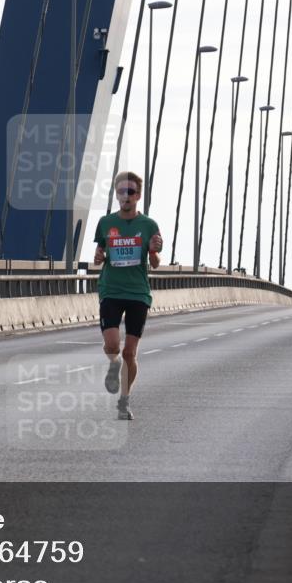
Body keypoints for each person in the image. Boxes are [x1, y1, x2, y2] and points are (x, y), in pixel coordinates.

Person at [93, 171, 162, 420]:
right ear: (116, 195)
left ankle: (124, 401)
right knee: (113, 345)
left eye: (130, 192)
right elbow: (99, 254)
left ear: (138, 196)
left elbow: (155, 263)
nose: (126, 196)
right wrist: (98, 257)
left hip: (138, 293)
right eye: (121, 191)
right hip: (111, 289)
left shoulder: (149, 225)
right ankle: (113, 366)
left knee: (130, 353)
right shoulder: (105, 222)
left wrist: (153, 252)